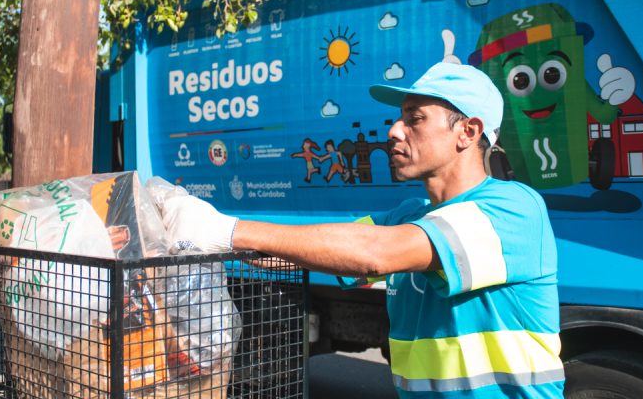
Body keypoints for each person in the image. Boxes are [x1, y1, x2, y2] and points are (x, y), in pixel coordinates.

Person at [162, 62, 564, 398]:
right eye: (399, 118)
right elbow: (324, 248)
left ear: (468, 132)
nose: (393, 131)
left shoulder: (513, 209)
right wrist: (187, 233)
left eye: (415, 119)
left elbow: (375, 253)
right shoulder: (409, 216)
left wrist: (227, 228)